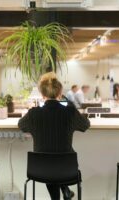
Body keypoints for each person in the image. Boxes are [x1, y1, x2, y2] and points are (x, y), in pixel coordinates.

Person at [18, 72, 90, 200]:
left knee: (49, 161)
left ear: (42, 94)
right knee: (57, 161)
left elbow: (21, 125)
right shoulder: (70, 112)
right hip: (67, 168)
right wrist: (73, 110)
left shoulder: (34, 113)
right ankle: (65, 189)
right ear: (60, 93)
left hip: (40, 168)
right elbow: (85, 125)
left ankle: (59, 195)